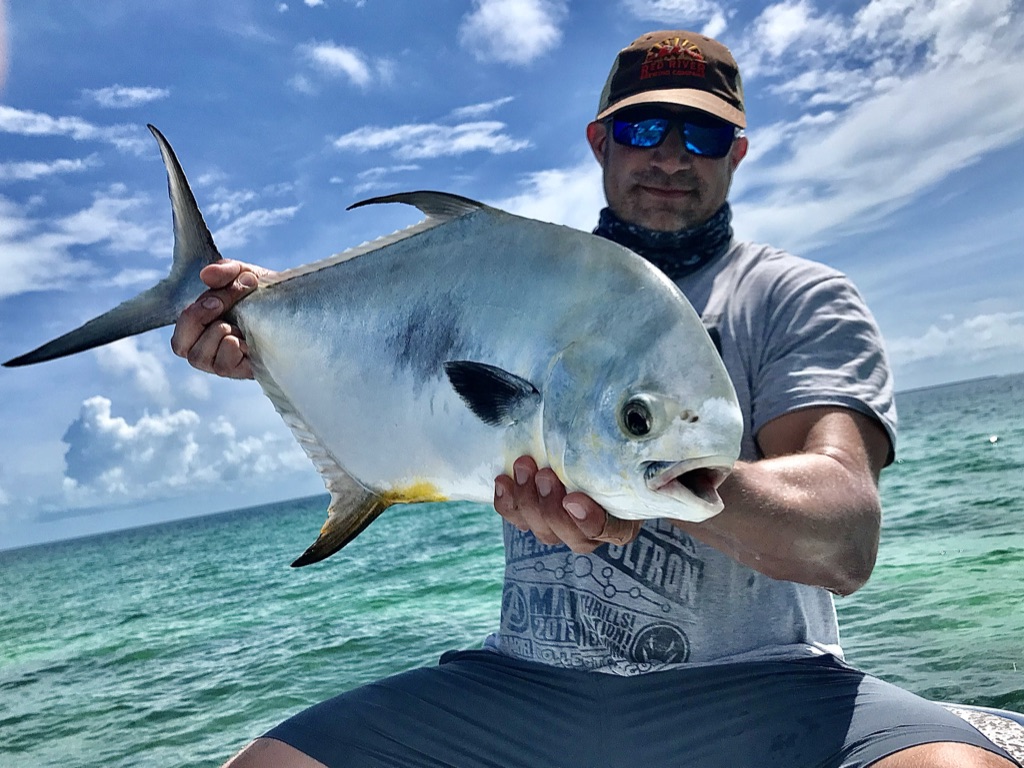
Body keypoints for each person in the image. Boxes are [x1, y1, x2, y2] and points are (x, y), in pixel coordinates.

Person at [172, 29, 1020, 768]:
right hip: (523, 686)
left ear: (739, 152)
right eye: (645, 127)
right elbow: (404, 375)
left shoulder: (795, 297)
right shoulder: (514, 278)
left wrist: (667, 486)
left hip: (765, 687)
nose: (672, 155)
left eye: (705, 134)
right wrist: (274, 330)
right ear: (600, 141)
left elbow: (845, 536)